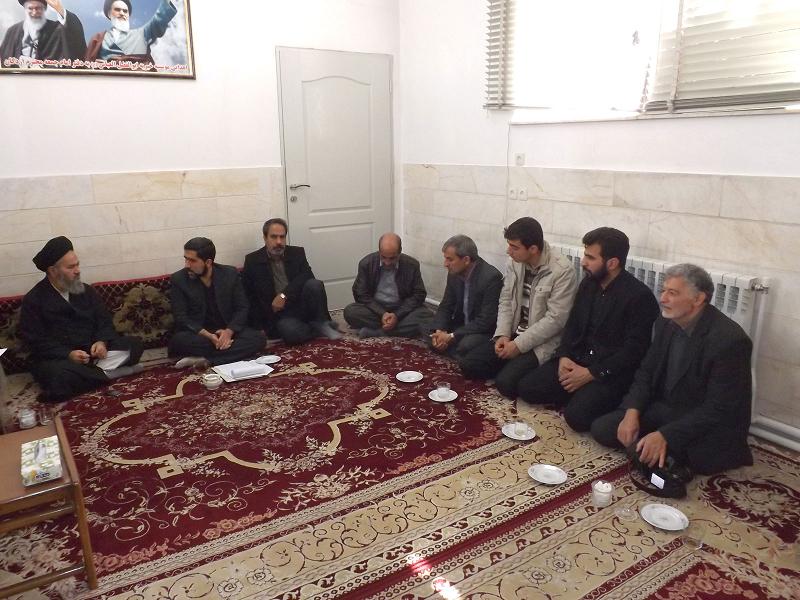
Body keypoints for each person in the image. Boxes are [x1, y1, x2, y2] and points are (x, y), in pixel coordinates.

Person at [591, 264, 754, 476]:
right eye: (663, 291)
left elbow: (718, 408)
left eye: (673, 293)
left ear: (698, 299)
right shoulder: (665, 322)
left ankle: (669, 453)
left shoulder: (729, 340)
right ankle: (656, 447)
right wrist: (632, 412)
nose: (663, 299)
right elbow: (646, 372)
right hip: (667, 408)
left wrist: (665, 435)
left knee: (653, 457)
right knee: (603, 429)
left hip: (702, 421)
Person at [517, 228, 659, 431]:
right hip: (578, 358)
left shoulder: (639, 297)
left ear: (612, 263)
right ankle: (578, 392)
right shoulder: (589, 283)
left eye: (590, 258)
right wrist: (564, 356)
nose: (583, 262)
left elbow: (634, 352)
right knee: (528, 388)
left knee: (577, 417)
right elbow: (573, 324)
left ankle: (586, 396)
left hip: (608, 370)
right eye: (585, 255)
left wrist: (591, 374)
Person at [459, 217, 577, 398]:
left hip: (540, 341)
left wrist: (518, 346)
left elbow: (556, 320)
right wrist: (503, 335)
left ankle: (516, 368)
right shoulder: (514, 263)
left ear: (533, 249)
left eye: (514, 247)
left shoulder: (562, 270)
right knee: (469, 365)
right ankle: (511, 365)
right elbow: (506, 300)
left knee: (506, 384)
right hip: (514, 333)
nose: (509, 251)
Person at [19, 236, 144, 403]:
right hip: (61, 360)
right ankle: (112, 373)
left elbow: (104, 321)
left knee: (134, 345)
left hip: (92, 355)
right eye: (71, 267)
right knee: (57, 376)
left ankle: (91, 377)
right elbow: (36, 342)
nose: (77, 270)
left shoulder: (86, 290)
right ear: (53, 271)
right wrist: (68, 354)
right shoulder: (34, 300)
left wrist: (101, 342)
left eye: (77, 265)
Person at [168, 237, 266, 367]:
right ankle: (226, 354)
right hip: (199, 334)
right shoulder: (179, 279)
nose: (187, 265)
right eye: (186, 259)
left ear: (208, 262)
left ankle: (207, 360)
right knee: (179, 341)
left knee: (258, 339)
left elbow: (242, 307)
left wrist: (228, 332)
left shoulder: (229, 274)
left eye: (192, 260)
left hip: (226, 330)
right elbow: (181, 317)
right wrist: (209, 336)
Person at [242, 218, 340, 345]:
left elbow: (307, 275)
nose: (279, 242)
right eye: (274, 237)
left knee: (315, 284)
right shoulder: (252, 260)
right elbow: (249, 296)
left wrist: (284, 295)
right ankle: (318, 328)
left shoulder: (297, 253)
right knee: (290, 332)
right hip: (278, 314)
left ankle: (321, 322)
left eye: (282, 237)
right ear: (265, 238)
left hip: (300, 304)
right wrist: (257, 326)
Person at [429, 235, 502, 364]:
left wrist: (451, 336)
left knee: (466, 345)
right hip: (460, 325)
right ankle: (450, 348)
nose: (445, 264)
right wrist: (440, 330)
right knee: (428, 328)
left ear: (466, 260)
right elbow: (446, 305)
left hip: (481, 331)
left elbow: (486, 321)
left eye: (450, 259)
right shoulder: (454, 272)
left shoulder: (491, 278)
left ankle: (455, 350)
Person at [344, 233, 431, 338]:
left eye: (392, 258)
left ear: (400, 251)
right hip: (375, 308)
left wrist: (397, 315)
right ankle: (398, 328)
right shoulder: (366, 263)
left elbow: (419, 294)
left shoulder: (412, 265)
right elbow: (360, 293)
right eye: (384, 257)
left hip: (402, 308)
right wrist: (382, 313)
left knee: (426, 315)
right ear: (379, 251)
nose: (387, 262)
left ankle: (379, 332)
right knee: (350, 312)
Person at [85, 0, 177, 64]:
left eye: (125, 11)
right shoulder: (98, 38)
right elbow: (87, 65)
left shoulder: (141, 34)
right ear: (109, 14)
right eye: (117, 10)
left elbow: (158, 20)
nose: (122, 13)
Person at [0, 0, 86, 67]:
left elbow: (75, 35)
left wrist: (59, 9)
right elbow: (5, 59)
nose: (34, 12)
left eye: (38, 8)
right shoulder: (13, 32)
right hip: (19, 81)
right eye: (30, 8)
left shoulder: (56, 29)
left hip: (50, 80)